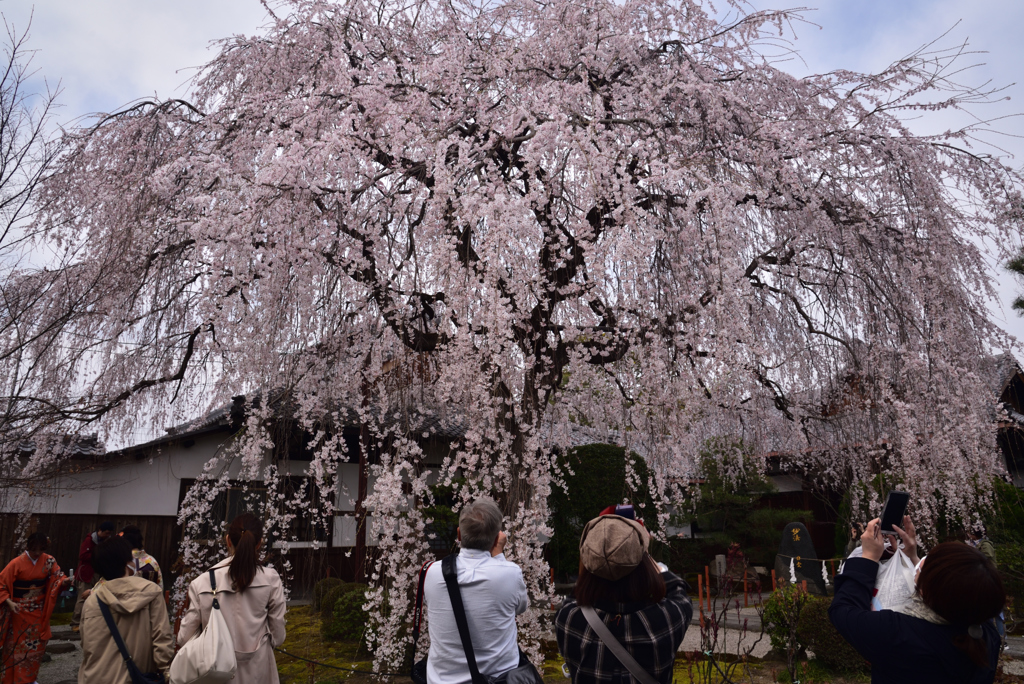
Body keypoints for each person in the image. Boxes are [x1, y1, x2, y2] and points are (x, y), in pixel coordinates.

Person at [829, 517, 1004, 684]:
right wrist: (911, 557)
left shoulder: (897, 634)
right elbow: (952, 591)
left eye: (926, 563)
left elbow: (843, 610)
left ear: (926, 591)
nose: (921, 562)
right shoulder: (985, 632)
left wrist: (868, 558)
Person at [555, 514, 693, 684]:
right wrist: (648, 558)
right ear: (644, 566)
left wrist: (597, 555)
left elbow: (577, 593)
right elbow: (678, 589)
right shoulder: (668, 618)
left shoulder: (567, 619)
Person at [423, 497, 529, 684]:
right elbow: (520, 608)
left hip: (442, 679)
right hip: (499, 678)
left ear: (459, 535)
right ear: (497, 538)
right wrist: (499, 556)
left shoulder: (431, 572)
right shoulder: (510, 573)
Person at [179, 513, 287, 683]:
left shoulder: (203, 582)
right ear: (258, 544)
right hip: (259, 672)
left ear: (228, 540)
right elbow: (278, 636)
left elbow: (184, 637)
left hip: (216, 673)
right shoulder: (271, 580)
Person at [79, 536, 174, 684]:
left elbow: (87, 644)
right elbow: (162, 639)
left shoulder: (92, 600)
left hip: (95, 677)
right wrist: (166, 672)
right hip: (136, 677)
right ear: (127, 562)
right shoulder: (151, 593)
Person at [0, 532, 69, 684]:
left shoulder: (49, 561)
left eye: (41, 549)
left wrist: (64, 581)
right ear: (27, 546)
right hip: (18, 611)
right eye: (34, 550)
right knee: (15, 646)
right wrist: (10, 603)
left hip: (38, 611)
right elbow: (1, 585)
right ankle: (13, 680)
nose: (37, 553)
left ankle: (30, 679)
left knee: (35, 647)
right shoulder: (16, 563)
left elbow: (58, 576)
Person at [70, 521, 114, 632]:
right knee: (82, 598)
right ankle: (76, 622)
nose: (108, 535)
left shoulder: (106, 542)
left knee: (95, 597)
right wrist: (98, 555)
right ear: (100, 531)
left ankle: (90, 621)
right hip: (86, 573)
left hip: (98, 573)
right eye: (106, 533)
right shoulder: (89, 540)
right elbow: (83, 555)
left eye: (109, 533)